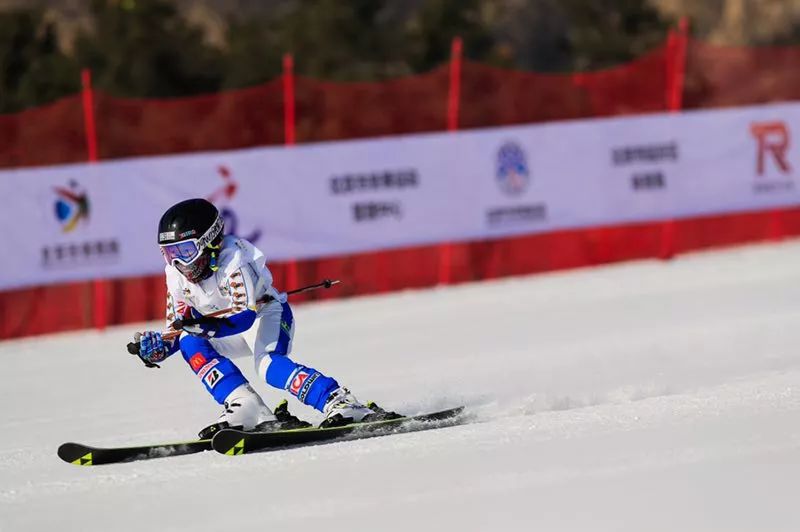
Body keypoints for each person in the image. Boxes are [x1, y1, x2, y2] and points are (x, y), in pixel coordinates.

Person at [132, 198, 397, 439]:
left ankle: (340, 402)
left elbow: (244, 318)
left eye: (185, 252)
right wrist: (158, 348)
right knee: (190, 342)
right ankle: (247, 407)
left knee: (268, 366)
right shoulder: (175, 275)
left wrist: (204, 327)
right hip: (222, 329)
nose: (179, 264)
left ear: (209, 241)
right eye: (170, 254)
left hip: (266, 316)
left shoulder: (234, 261)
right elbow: (176, 329)